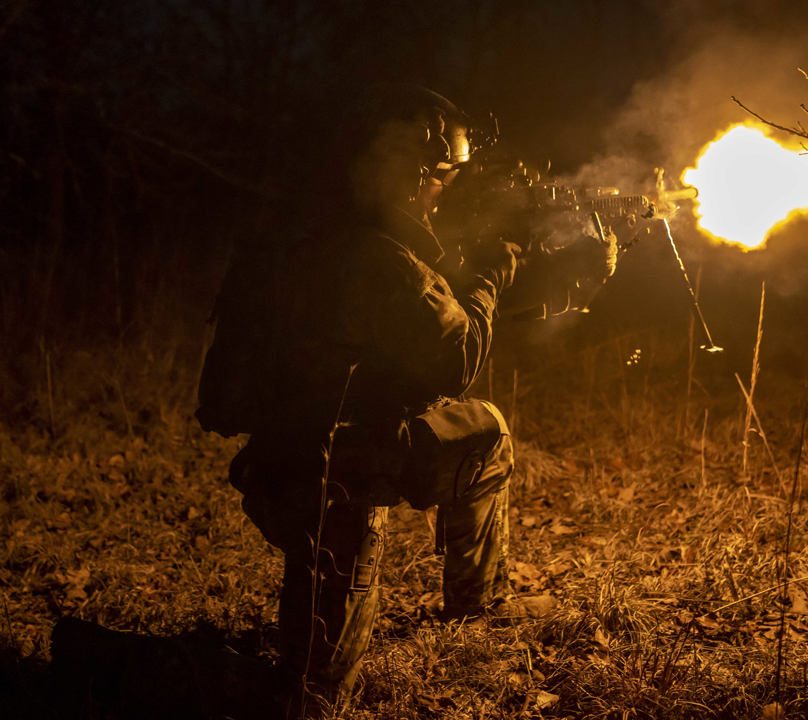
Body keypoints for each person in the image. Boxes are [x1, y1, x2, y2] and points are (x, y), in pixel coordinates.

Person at [197, 84, 617, 716]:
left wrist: (558, 277)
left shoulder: (328, 227)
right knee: (312, 699)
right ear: (407, 170)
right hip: (322, 473)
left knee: (482, 431)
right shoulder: (374, 257)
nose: (447, 189)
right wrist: (488, 272)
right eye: (444, 175)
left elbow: (435, 326)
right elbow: (455, 357)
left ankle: (477, 606)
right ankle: (110, 664)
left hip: (320, 442)